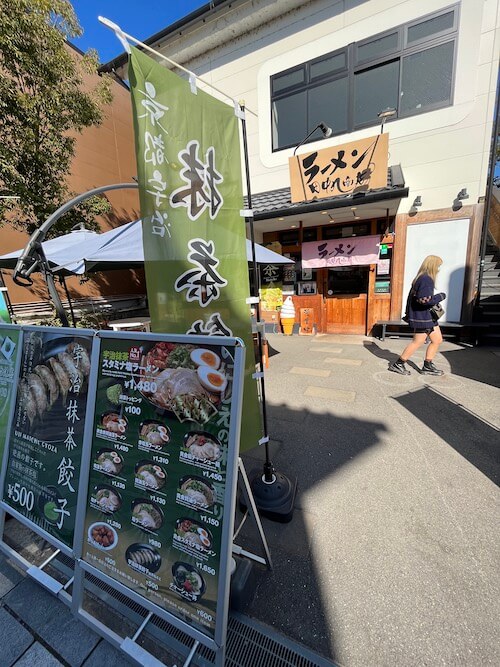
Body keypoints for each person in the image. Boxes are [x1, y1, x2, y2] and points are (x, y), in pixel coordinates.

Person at [389, 255, 446, 376]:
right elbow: (424, 300)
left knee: (437, 339)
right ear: (433, 266)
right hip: (423, 317)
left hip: (427, 317)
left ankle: (428, 365)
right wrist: (441, 296)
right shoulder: (426, 279)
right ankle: (398, 364)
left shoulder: (421, 277)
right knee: (417, 341)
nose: (439, 269)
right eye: (438, 266)